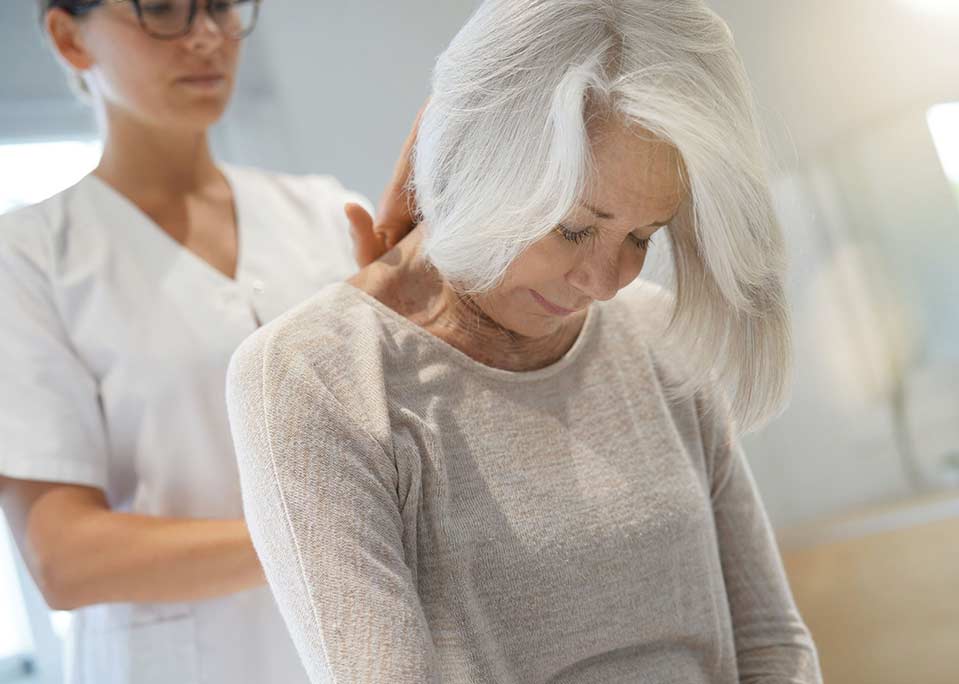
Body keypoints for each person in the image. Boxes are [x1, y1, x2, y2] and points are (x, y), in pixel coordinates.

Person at [226, 0, 823, 682]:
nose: (605, 281)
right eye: (572, 228)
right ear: (480, 162)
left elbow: (773, 644)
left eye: (641, 237)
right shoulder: (316, 378)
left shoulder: (656, 335)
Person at [0, 0, 414, 682]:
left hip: (357, 646)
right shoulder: (32, 258)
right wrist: (323, 534)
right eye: (162, 10)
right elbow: (64, 558)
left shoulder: (323, 214)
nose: (207, 37)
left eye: (221, 6)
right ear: (70, 37)